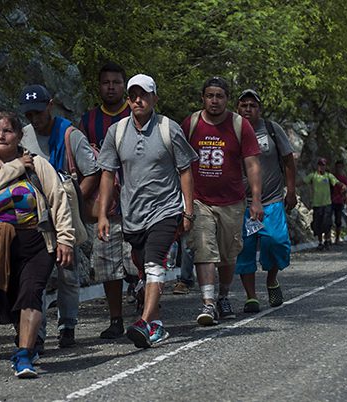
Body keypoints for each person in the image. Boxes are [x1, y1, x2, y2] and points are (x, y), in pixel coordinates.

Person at [0, 112, 75, 378]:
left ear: (19, 135)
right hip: (0, 244)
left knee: (31, 293)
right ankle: (25, 340)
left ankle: (25, 354)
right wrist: (15, 167)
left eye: (7, 131)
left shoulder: (38, 164)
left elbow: (58, 200)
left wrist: (65, 239)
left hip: (38, 240)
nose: (1, 136)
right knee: (11, 297)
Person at [97, 73, 198, 347]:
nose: (138, 100)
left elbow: (185, 170)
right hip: (133, 215)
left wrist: (188, 211)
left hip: (166, 209)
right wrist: (104, 214)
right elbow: (107, 173)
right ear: (128, 100)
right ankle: (156, 325)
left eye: (143, 95)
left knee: (154, 262)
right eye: (133, 96)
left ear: (154, 97)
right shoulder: (116, 132)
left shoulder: (169, 128)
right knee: (141, 265)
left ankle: (143, 322)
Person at [18, 84, 100, 350]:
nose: (34, 119)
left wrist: (71, 201)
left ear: (50, 106)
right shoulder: (24, 136)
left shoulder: (70, 135)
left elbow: (92, 172)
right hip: (36, 217)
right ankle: (37, 332)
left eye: (39, 112)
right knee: (36, 276)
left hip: (65, 213)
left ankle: (68, 325)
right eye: (29, 114)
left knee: (68, 273)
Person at [182, 77, 263, 325]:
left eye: (219, 96)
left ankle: (223, 295)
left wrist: (256, 200)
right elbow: (178, 160)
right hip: (200, 200)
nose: (214, 101)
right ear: (203, 98)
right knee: (205, 247)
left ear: (227, 99)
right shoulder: (191, 124)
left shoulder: (240, 125)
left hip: (232, 201)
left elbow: (252, 163)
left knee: (228, 255)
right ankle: (207, 303)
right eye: (210, 96)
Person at [78, 63, 139, 339]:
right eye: (106, 82)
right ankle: (116, 319)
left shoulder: (136, 114)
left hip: (138, 198)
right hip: (104, 203)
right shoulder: (88, 121)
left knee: (137, 258)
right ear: (99, 86)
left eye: (116, 82)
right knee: (106, 263)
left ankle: (145, 305)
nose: (111, 87)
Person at [234, 89, 296, 313]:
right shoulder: (233, 131)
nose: (248, 109)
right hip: (242, 203)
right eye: (243, 105)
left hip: (271, 200)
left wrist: (291, 191)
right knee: (245, 249)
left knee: (277, 242)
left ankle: (271, 279)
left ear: (259, 109)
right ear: (237, 109)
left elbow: (288, 160)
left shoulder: (271, 129)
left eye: (252, 105)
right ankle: (251, 297)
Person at [304, 158, 341, 250]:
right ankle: (320, 242)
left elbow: (336, 182)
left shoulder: (328, 176)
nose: (321, 167)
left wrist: (343, 186)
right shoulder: (313, 176)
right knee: (318, 223)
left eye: (323, 165)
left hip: (327, 203)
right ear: (317, 166)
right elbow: (303, 181)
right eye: (320, 165)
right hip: (317, 204)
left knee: (327, 223)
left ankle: (327, 240)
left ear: (325, 166)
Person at [331, 160, 347, 244]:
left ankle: (337, 238)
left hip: (339, 201)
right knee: (328, 219)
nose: (339, 169)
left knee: (338, 220)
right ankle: (328, 238)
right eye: (337, 167)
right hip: (330, 200)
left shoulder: (344, 178)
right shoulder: (332, 177)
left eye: (340, 167)